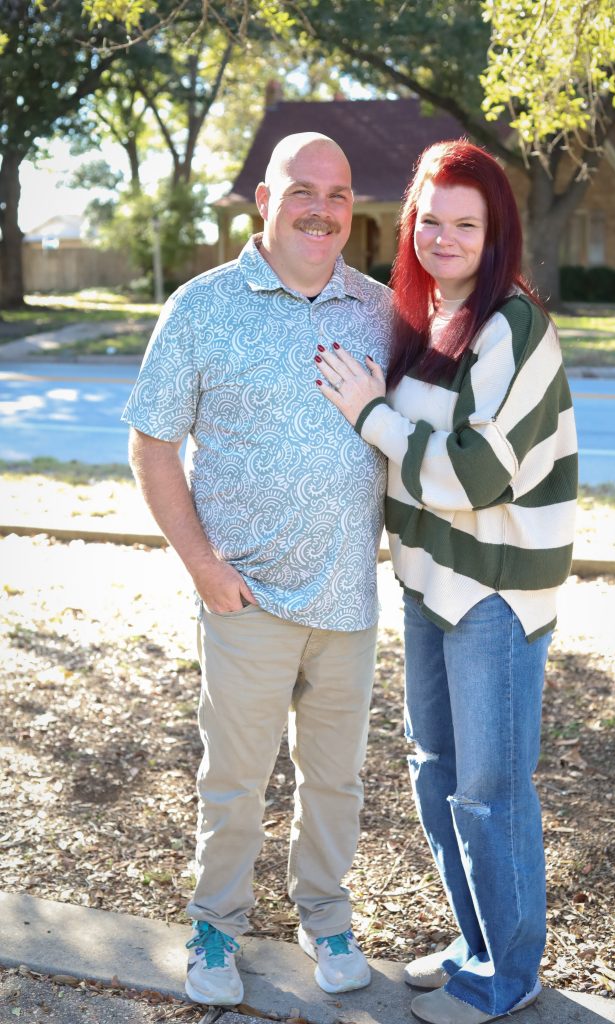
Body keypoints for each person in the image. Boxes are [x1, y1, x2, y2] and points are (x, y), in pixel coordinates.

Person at [122, 132, 393, 1007]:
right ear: (264, 201)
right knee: (234, 780)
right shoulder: (203, 306)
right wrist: (202, 568)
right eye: (302, 190)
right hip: (244, 595)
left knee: (336, 779)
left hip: (349, 596)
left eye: (339, 194)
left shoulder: (381, 311)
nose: (322, 208)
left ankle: (327, 916)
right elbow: (151, 442)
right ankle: (214, 927)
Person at [315, 138, 578, 1024]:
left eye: (465, 222)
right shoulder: (424, 319)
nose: (443, 235)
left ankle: (507, 977)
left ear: (494, 230)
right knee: (436, 776)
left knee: (490, 789)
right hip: (428, 584)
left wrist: (370, 415)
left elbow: (474, 478)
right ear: (410, 223)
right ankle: (475, 945)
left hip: (494, 595)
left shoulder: (514, 326)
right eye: (430, 218)